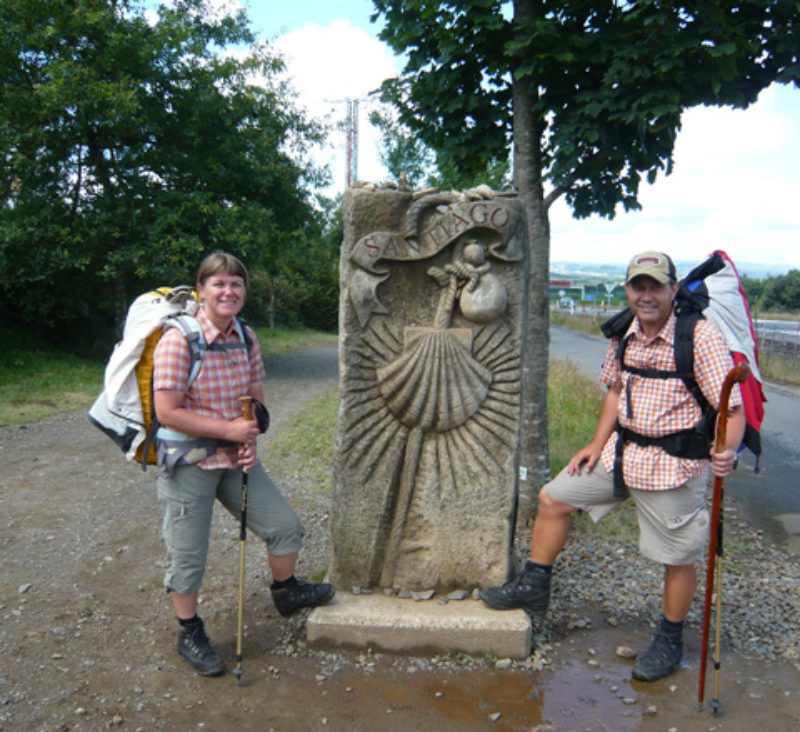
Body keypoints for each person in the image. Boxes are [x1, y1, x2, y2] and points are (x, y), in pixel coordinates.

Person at [480, 250, 744, 682]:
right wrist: (595, 443)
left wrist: (727, 452)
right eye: (638, 286)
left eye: (656, 285)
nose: (646, 295)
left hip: (673, 465)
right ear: (627, 289)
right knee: (553, 498)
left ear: (673, 289)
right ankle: (534, 587)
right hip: (621, 454)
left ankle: (669, 638)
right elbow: (614, 393)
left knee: (677, 557)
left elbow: (732, 409)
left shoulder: (700, 337)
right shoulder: (624, 333)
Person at [152, 251, 334, 676]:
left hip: (234, 460)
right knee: (188, 554)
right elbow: (167, 412)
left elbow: (256, 403)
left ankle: (286, 591)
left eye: (236, 284)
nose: (228, 291)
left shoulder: (246, 337)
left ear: (244, 292)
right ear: (201, 290)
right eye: (218, 284)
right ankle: (189, 631)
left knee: (284, 526)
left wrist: (250, 433)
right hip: (189, 462)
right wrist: (228, 430)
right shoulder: (179, 339)